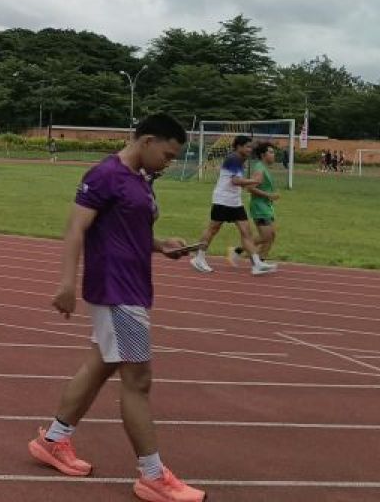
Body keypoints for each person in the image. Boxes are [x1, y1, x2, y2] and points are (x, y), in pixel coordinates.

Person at [27, 113, 206, 502]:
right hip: (117, 291)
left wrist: (161, 245)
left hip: (132, 287)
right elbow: (76, 228)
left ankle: (53, 440)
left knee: (100, 365)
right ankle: (153, 476)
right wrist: (66, 283)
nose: (169, 163)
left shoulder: (140, 179)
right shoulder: (105, 175)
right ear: (147, 141)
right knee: (138, 381)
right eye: (167, 155)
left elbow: (128, 230)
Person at [189, 136, 276, 275]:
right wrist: (253, 181)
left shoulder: (240, 159)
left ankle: (257, 263)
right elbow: (235, 181)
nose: (250, 149)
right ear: (239, 147)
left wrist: (260, 144)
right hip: (223, 199)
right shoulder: (233, 158)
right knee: (213, 229)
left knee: (246, 232)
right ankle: (199, 258)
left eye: (251, 147)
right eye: (247, 147)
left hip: (235, 201)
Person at [233, 141, 280, 264]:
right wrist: (269, 195)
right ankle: (239, 251)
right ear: (263, 155)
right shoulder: (259, 168)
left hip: (266, 206)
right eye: (271, 152)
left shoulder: (264, 168)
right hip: (259, 207)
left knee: (271, 236)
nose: (273, 155)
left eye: (273, 152)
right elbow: (250, 188)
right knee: (266, 236)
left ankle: (260, 261)